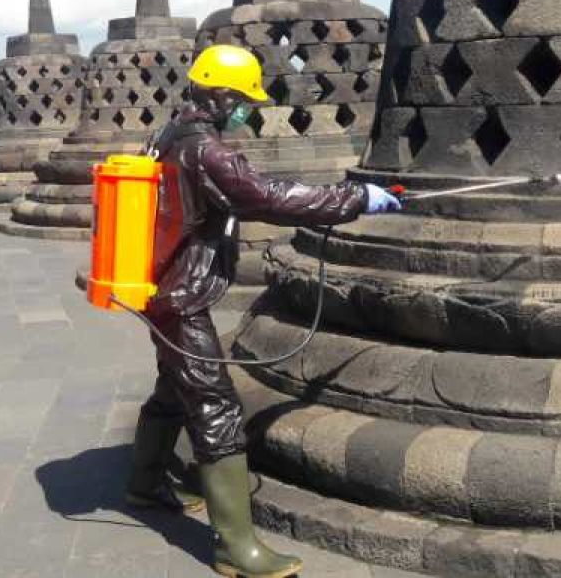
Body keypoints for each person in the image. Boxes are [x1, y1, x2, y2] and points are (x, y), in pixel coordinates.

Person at [126, 44, 399, 578]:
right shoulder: (207, 151)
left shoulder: (172, 134)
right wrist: (353, 200)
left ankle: (144, 482)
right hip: (181, 298)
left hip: (164, 288)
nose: (246, 109)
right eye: (244, 100)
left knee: (173, 385)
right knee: (216, 406)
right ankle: (236, 547)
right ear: (221, 95)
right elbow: (268, 197)